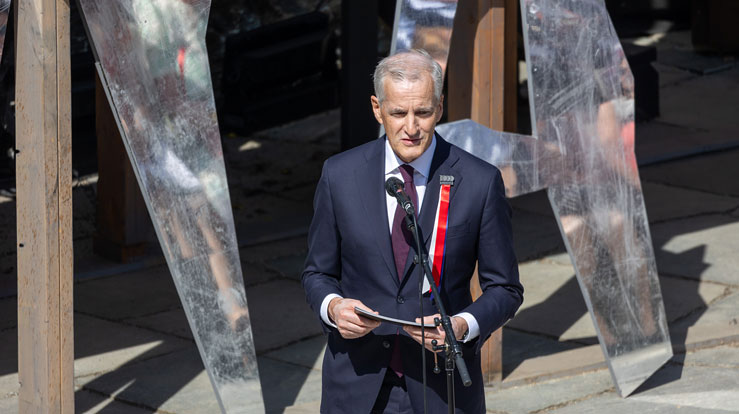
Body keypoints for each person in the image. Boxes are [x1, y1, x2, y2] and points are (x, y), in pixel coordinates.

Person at [302, 49, 523, 413]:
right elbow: (317, 272)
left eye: (422, 112)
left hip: (440, 388)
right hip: (356, 385)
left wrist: (461, 326)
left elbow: (506, 288)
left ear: (439, 107)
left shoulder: (480, 182)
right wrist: (333, 307)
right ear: (377, 108)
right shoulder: (339, 175)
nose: (411, 127)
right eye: (398, 113)